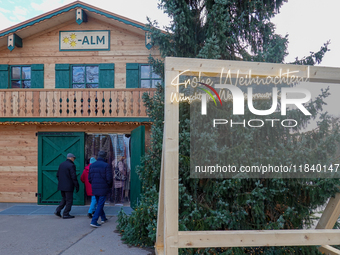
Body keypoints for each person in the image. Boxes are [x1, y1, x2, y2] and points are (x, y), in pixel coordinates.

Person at [88, 151, 113, 227]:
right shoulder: (106, 165)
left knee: (99, 203)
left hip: (95, 187)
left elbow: (89, 178)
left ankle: (103, 218)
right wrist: (109, 186)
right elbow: (109, 179)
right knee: (100, 204)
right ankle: (94, 221)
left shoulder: (92, 165)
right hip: (103, 187)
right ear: (105, 157)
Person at [54, 153, 79, 219]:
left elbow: (57, 175)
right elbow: (73, 176)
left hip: (62, 185)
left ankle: (58, 210)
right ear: (71, 158)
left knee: (64, 198)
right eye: (74, 158)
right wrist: (76, 185)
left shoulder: (61, 164)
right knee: (69, 200)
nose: (74, 159)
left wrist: (61, 182)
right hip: (69, 186)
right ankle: (66, 213)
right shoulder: (71, 165)